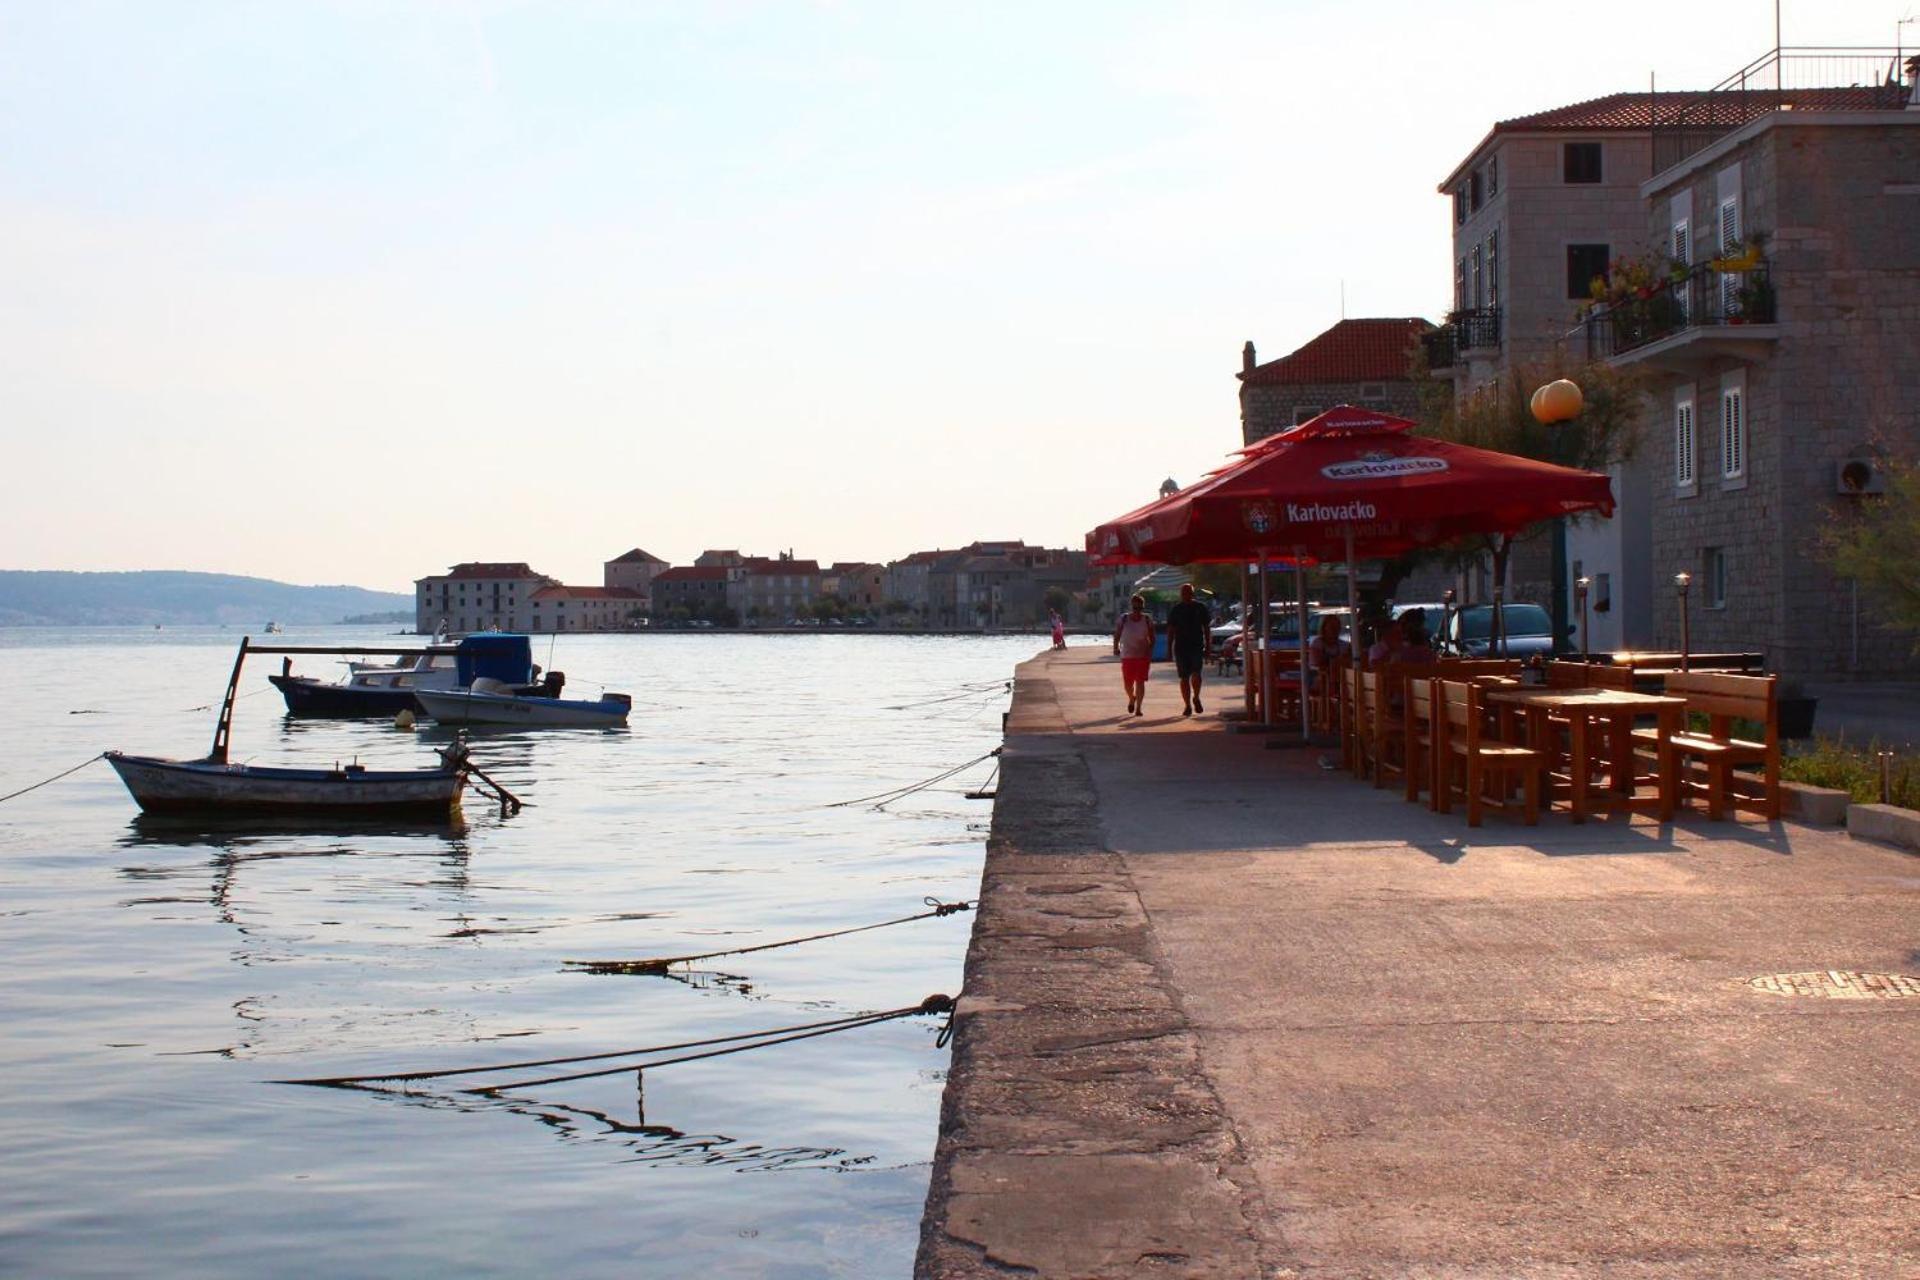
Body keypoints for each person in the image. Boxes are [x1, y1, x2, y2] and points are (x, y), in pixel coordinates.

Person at [1165, 584, 1212, 716]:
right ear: (1181, 594)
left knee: (1196, 674)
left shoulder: (1200, 608)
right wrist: (1169, 649)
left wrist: (1208, 646)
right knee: (1184, 678)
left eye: (1189, 592)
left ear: (1192, 594)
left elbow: (1207, 628)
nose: (1186, 595)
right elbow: (1171, 631)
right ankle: (1187, 705)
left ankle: (1196, 697)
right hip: (1181, 648)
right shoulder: (1176, 609)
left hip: (1197, 646)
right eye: (1184, 592)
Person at [1112, 594, 1156, 716]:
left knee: (1140, 682)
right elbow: (1117, 635)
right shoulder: (1124, 619)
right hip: (1127, 656)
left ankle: (1138, 708)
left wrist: (1150, 650)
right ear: (1131, 607)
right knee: (1127, 684)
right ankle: (1132, 698)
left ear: (1143, 607)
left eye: (1139, 608)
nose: (1137, 611)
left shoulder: (1147, 620)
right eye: (1135, 608)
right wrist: (1115, 648)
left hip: (1142, 656)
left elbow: (1152, 637)